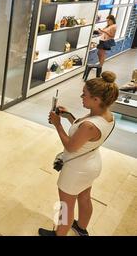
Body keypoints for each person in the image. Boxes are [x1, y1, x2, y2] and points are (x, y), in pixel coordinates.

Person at [39, 71, 119, 236]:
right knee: (84, 197)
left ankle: (59, 234)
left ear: (96, 100)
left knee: (65, 206)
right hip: (91, 164)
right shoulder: (106, 116)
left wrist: (57, 124)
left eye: (85, 94)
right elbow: (84, 133)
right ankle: (81, 228)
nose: (81, 96)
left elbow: (70, 146)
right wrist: (69, 116)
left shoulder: (90, 124)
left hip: (76, 169)